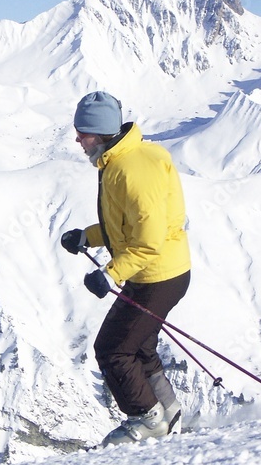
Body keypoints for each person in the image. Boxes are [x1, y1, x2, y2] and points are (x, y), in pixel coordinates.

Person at [60, 91, 191, 445]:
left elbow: (147, 241)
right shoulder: (125, 159)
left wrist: (110, 273)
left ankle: (148, 419)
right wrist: (86, 237)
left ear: (100, 133)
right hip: (161, 271)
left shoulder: (129, 171)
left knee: (113, 349)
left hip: (155, 275)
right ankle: (168, 409)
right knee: (139, 346)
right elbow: (126, 227)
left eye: (82, 132)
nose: (77, 139)